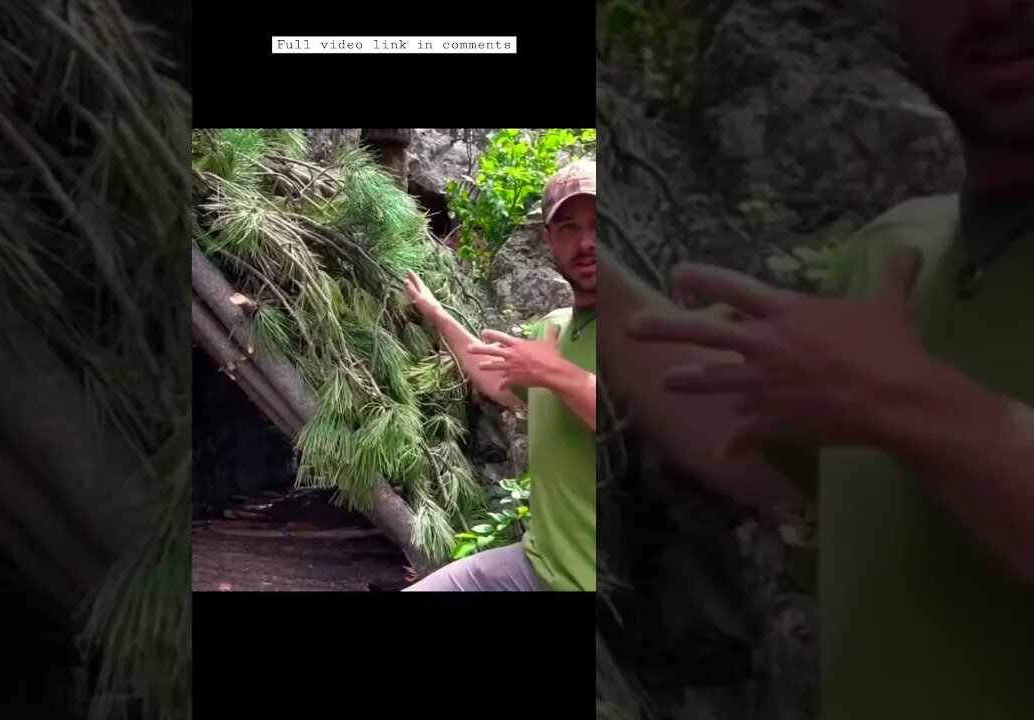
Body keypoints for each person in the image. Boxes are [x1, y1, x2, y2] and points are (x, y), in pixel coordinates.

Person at [597, 1, 1034, 717]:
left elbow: (876, 393)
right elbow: (735, 433)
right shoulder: (898, 254)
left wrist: (901, 401)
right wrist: (591, 266)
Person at [401, 159, 598, 592]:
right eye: (568, 227)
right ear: (549, 239)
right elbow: (497, 381)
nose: (587, 242)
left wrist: (558, 373)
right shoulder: (555, 327)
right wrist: (434, 311)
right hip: (536, 565)